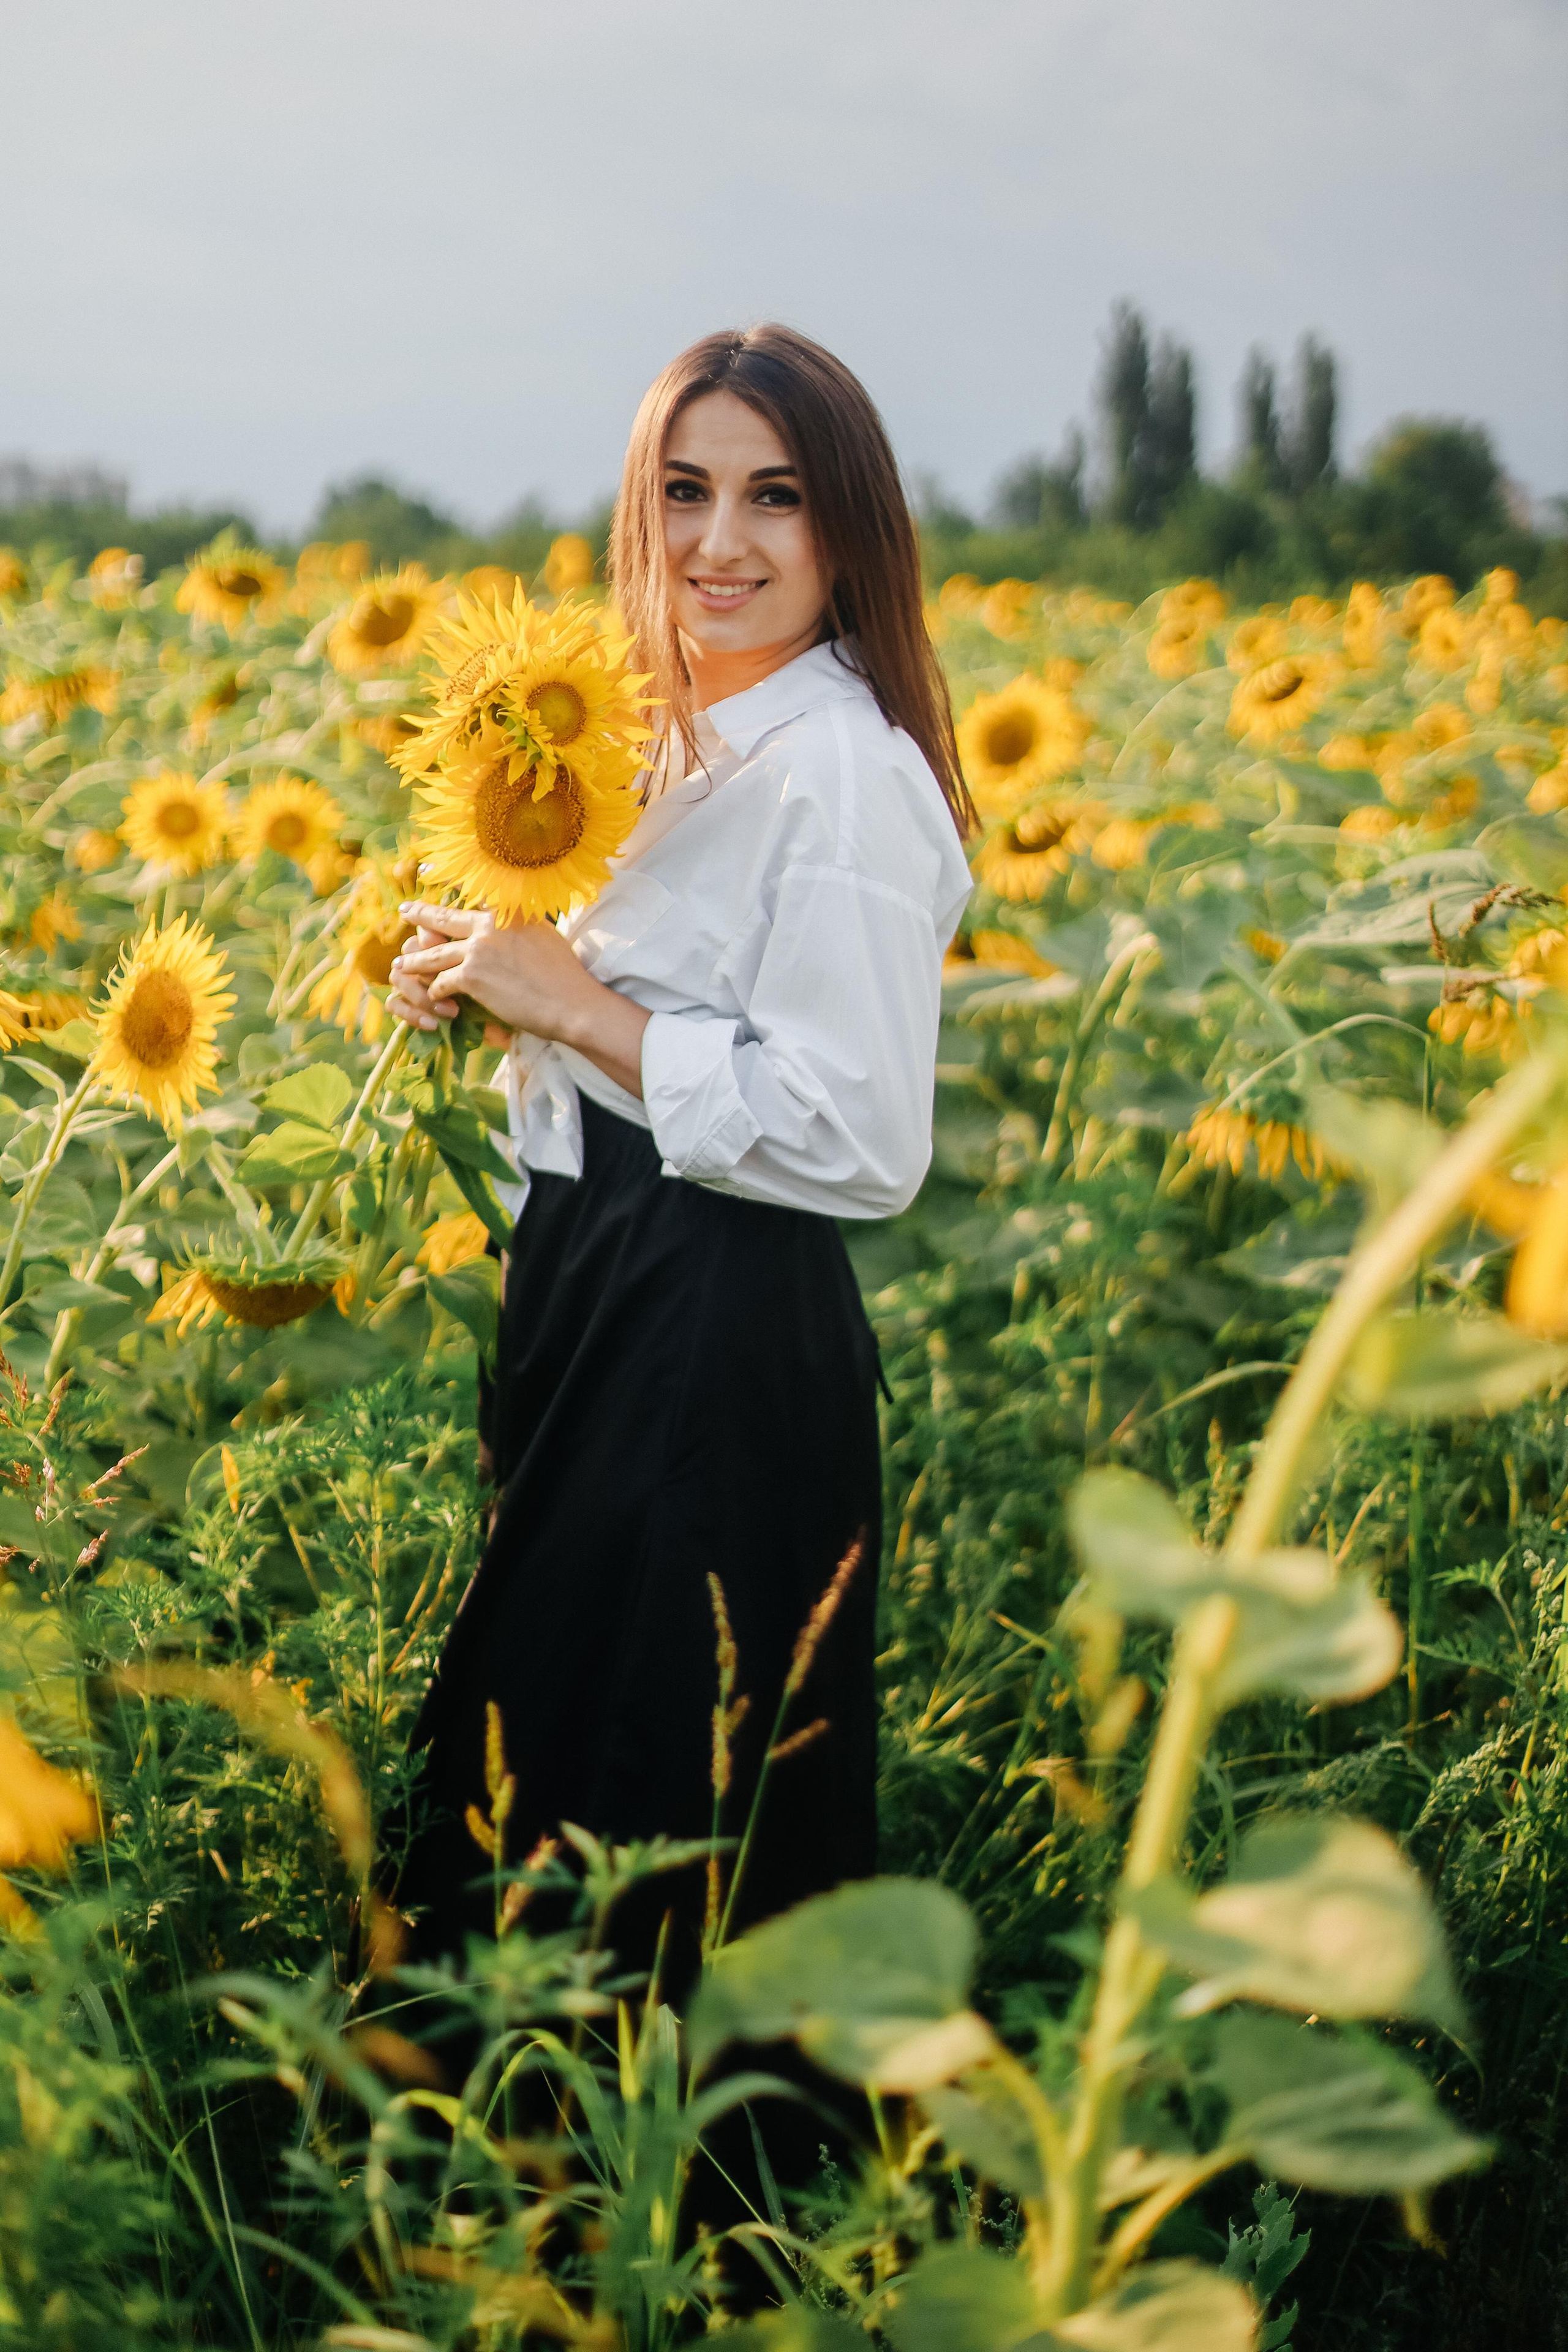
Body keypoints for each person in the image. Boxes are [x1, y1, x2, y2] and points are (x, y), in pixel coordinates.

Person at [388, 322, 974, 1995]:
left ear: (848, 526)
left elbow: (860, 1135)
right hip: (601, 1276)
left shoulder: (840, 776)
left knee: (663, 1798)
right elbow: (643, 1013)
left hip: (715, 1321)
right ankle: (535, 2198)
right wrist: (495, 977)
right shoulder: (672, 736)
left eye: (775, 497)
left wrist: (575, 1007)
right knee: (557, 1752)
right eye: (686, 490)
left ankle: (668, 2227)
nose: (722, 543)